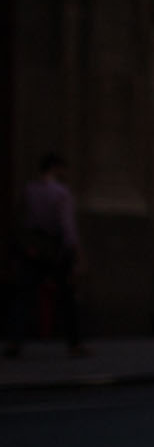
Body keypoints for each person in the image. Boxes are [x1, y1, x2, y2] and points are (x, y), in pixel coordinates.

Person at [11, 151, 85, 359]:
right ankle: (74, 344)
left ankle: (15, 341)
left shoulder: (29, 190)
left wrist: (25, 246)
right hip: (56, 249)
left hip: (33, 248)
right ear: (56, 168)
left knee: (24, 296)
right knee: (67, 297)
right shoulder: (61, 193)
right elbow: (68, 227)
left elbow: (20, 220)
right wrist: (78, 255)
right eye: (63, 169)